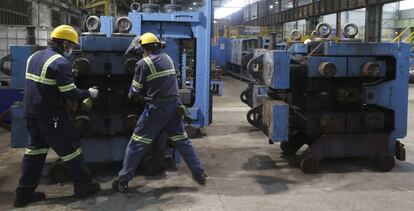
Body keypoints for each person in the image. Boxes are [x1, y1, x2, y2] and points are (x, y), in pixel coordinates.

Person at [14, 25, 101, 207]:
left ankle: (23, 194)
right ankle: (83, 185)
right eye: (71, 45)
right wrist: (89, 93)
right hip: (50, 114)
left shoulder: (34, 56)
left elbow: (44, 84)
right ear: (64, 43)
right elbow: (70, 92)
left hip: (31, 112)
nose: (72, 49)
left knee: (35, 151)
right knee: (71, 148)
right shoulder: (60, 63)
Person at [112, 33, 207, 193]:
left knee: (136, 143)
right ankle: (200, 174)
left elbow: (134, 91)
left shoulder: (143, 63)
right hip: (174, 107)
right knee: (183, 142)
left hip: (156, 110)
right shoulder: (167, 58)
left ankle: (123, 180)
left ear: (144, 48)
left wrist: (129, 94)